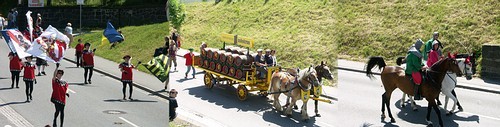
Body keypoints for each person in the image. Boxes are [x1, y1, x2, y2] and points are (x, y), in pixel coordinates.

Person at [51, 63, 69, 127]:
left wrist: (66, 92)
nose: (60, 75)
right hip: (56, 97)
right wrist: (57, 67)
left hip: (63, 98)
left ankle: (61, 125)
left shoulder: (64, 81)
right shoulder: (55, 80)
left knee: (62, 112)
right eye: (59, 73)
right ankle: (55, 120)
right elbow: (54, 75)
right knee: (57, 111)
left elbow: (67, 88)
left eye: (61, 74)